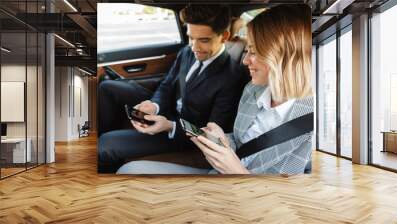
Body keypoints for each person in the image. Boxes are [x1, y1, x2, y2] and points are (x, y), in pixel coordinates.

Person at [117, 4, 314, 175]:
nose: (245, 61)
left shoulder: (311, 126)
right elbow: (167, 86)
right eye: (190, 38)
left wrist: (236, 171)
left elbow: (286, 199)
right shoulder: (252, 91)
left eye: (253, 52)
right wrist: (222, 138)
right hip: (212, 165)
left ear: (283, 56)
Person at [98, 5, 247, 173]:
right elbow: (167, 85)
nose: (194, 47)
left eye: (203, 40)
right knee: (107, 88)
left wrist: (170, 126)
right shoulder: (186, 52)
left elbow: (211, 134)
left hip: (182, 134)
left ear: (224, 36)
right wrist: (154, 106)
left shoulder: (232, 78)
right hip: (167, 111)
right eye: (191, 38)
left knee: (105, 144)